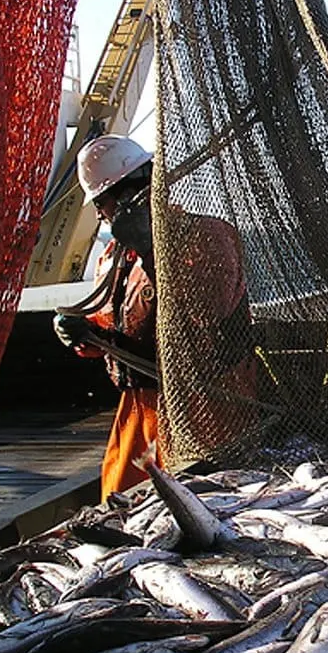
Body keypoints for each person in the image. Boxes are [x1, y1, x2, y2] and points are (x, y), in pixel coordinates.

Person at [53, 134, 253, 500]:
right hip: (139, 409)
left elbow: (204, 314)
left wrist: (151, 250)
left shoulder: (209, 235)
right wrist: (84, 334)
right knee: (119, 506)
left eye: (102, 203)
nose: (99, 215)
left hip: (208, 406)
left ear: (132, 194)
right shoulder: (113, 256)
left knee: (204, 502)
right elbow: (117, 323)